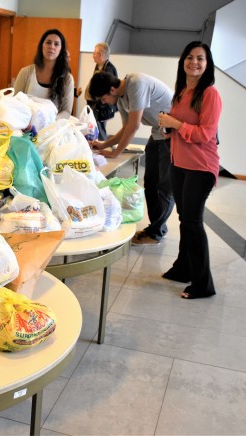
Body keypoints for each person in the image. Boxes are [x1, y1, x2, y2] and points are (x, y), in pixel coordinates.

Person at [157, 41, 222, 300]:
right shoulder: (182, 91)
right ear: (183, 60)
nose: (194, 62)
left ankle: (203, 282)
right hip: (180, 164)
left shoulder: (210, 94)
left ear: (207, 65)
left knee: (193, 222)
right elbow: (178, 129)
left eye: (200, 59)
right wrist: (167, 126)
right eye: (190, 57)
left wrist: (175, 123)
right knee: (186, 220)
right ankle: (183, 268)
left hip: (200, 167)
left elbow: (206, 133)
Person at [88, 71, 175, 245]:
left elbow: (134, 126)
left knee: (164, 186)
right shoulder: (121, 98)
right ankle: (157, 228)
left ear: (112, 90)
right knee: (150, 183)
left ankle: (156, 232)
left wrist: (115, 153)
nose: (104, 103)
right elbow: (126, 127)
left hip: (172, 134)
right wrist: (104, 145)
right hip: (158, 133)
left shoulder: (136, 83)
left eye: (103, 99)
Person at [13, 28, 74, 119]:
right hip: (25, 127)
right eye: (48, 42)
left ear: (61, 50)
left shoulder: (67, 79)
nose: (52, 46)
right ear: (42, 46)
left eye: (56, 44)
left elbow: (66, 111)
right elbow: (15, 101)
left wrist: (49, 122)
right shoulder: (25, 72)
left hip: (51, 129)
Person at [84, 42, 118, 139]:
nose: (92, 56)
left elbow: (108, 92)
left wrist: (99, 105)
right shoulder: (99, 66)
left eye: (94, 53)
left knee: (99, 129)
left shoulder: (109, 69)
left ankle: (102, 149)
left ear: (100, 55)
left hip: (101, 107)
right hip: (94, 104)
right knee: (94, 128)